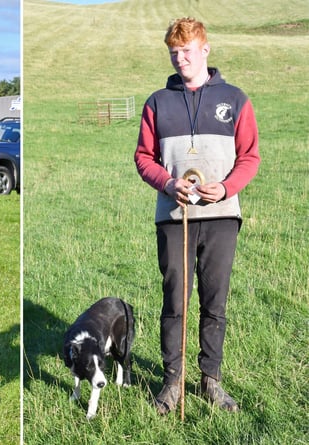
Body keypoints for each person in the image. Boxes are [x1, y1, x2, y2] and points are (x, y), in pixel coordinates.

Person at [134, 17, 260, 415]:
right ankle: (171, 383)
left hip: (222, 216)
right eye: (173, 52)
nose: (179, 58)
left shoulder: (235, 99)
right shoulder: (157, 101)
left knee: (214, 301)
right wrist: (167, 184)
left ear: (205, 49)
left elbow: (250, 156)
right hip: (174, 217)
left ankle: (211, 380)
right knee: (175, 301)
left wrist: (225, 188)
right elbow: (143, 157)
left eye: (186, 51)